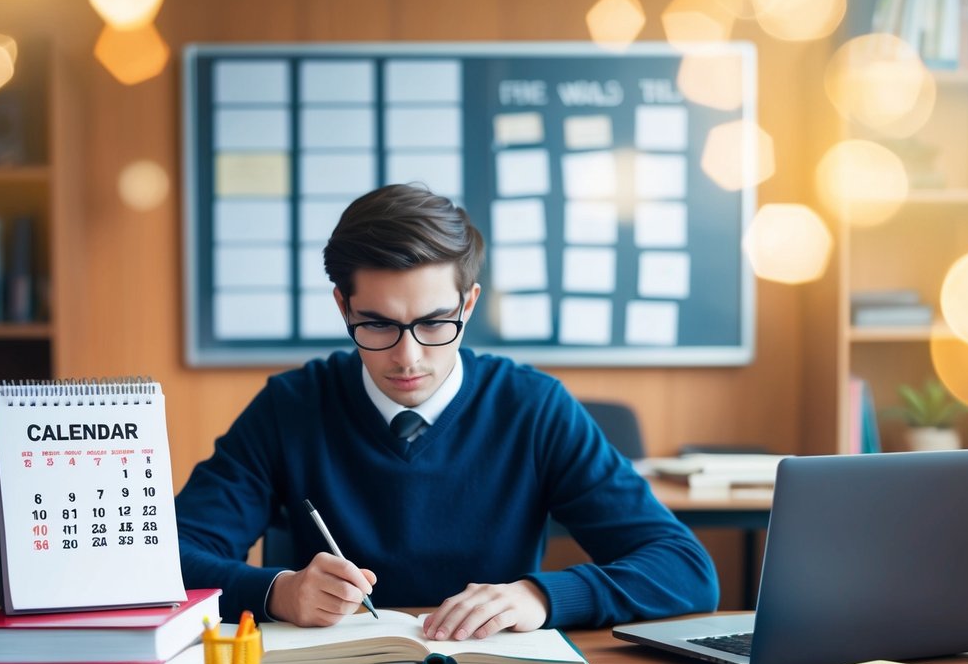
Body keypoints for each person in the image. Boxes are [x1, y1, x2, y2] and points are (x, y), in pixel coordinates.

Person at [176, 183, 719, 640]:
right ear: (343, 306)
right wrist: (276, 591)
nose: (407, 357)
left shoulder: (533, 407)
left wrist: (541, 596)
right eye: (378, 324)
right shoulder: (290, 408)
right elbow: (169, 558)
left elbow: (684, 569)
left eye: (436, 324)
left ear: (469, 303)